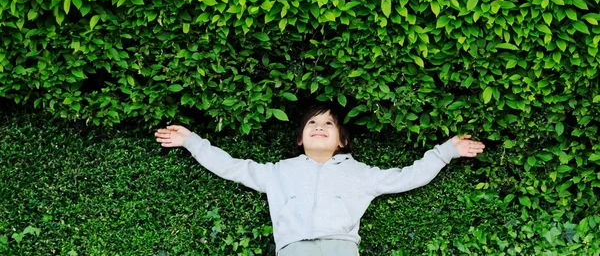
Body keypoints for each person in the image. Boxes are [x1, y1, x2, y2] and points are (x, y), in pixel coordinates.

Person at [155, 103, 485, 255]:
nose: (319, 127)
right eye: (312, 123)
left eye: (328, 124)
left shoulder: (362, 174)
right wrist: (190, 140)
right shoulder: (277, 172)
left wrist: (447, 150)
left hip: (342, 249)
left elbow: (409, 176)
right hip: (293, 250)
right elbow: (231, 166)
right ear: (300, 138)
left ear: (341, 140)